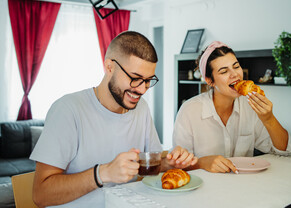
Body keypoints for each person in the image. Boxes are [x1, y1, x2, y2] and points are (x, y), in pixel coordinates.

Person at [30, 31, 198, 208]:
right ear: (109, 67)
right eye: (135, 78)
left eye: (148, 80)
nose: (142, 90)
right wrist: (102, 174)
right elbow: (41, 194)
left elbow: (146, 168)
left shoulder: (141, 108)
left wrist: (167, 163)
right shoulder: (68, 109)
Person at [173, 41, 291, 174]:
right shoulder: (189, 111)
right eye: (224, 71)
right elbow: (177, 165)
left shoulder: (249, 105)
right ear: (209, 80)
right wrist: (202, 163)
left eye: (236, 66)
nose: (235, 74)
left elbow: (284, 151)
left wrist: (269, 119)